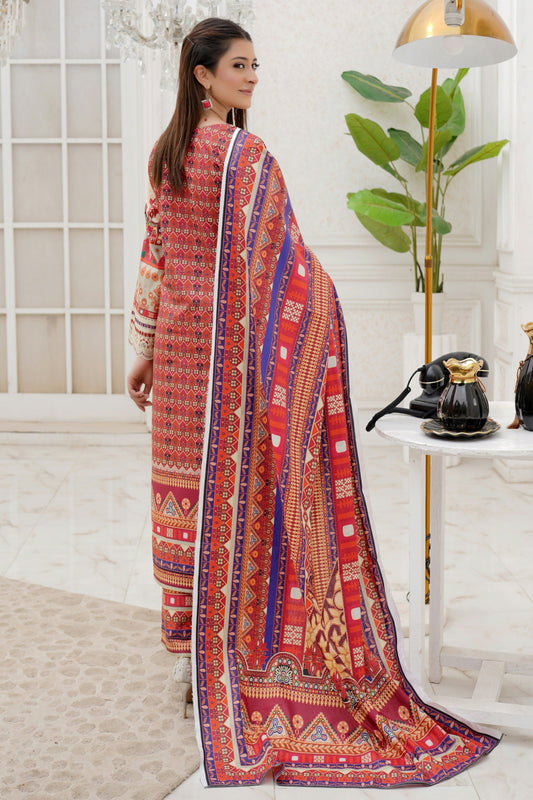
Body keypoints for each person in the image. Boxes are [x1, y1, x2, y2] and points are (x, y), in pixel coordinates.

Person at [127, 16, 498, 789]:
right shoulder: (247, 157)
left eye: (254, 64)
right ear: (202, 74)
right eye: (239, 66)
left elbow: (153, 260)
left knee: (187, 508)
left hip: (183, 368)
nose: (252, 77)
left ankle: (195, 662)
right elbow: (290, 266)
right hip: (230, 375)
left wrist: (144, 348)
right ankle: (230, 658)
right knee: (237, 506)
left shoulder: (167, 154)